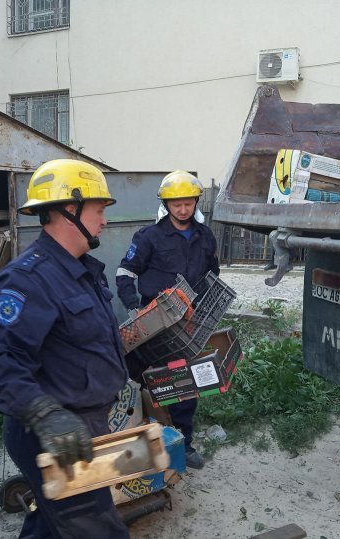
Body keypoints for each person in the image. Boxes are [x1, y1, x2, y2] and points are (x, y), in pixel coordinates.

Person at [0, 159, 130, 539]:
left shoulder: (81, 271)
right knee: (96, 528)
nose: (104, 221)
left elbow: (86, 343)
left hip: (84, 425)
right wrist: (44, 414)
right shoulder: (29, 280)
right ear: (67, 209)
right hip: (53, 433)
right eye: (98, 210)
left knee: (51, 524)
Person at [116, 170, 219, 470]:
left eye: (188, 203)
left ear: (196, 202)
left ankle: (183, 445)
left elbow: (213, 274)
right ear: (166, 204)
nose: (183, 210)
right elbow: (126, 273)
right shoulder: (148, 237)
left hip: (187, 325)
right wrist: (134, 307)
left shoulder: (206, 237)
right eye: (176, 204)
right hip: (152, 322)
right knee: (134, 379)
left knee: (183, 384)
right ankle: (131, 439)